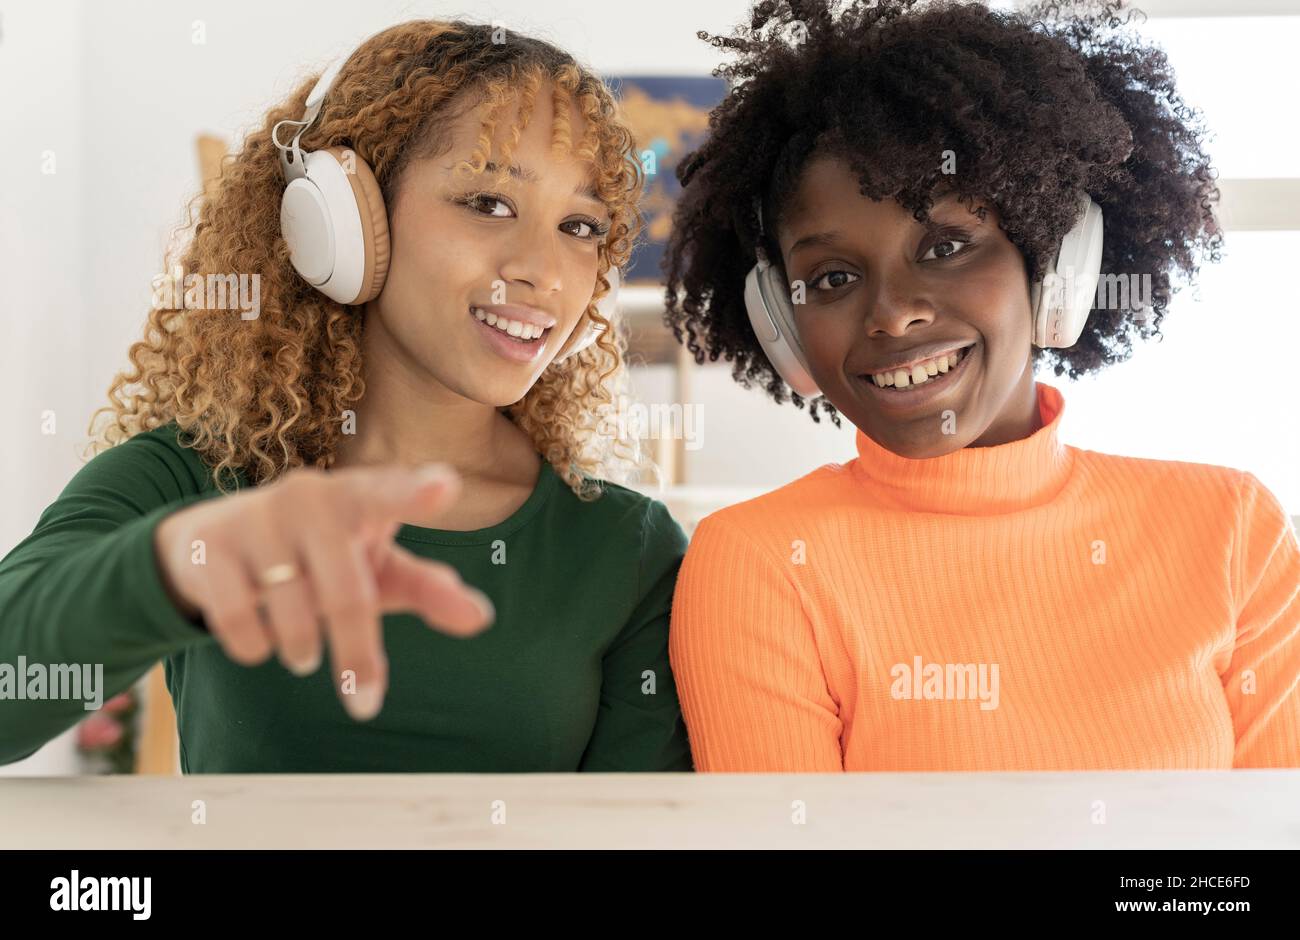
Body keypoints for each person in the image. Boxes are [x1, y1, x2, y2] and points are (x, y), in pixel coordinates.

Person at [0, 19, 693, 773]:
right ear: (345, 223)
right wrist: (169, 571)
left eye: (580, 226)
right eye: (489, 202)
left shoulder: (628, 552)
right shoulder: (192, 481)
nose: (545, 271)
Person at [663, 0, 1299, 771]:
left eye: (947, 246)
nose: (893, 315)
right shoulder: (759, 563)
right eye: (832, 276)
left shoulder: (1230, 530)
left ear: (1054, 264)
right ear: (780, 323)